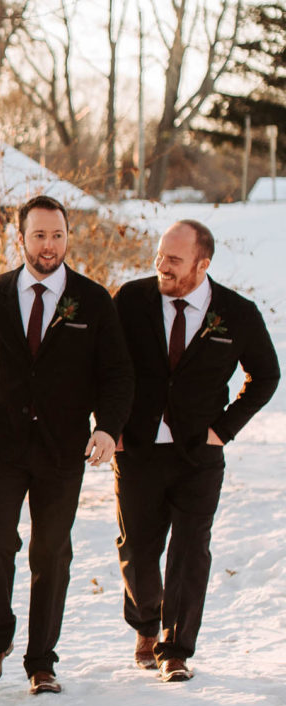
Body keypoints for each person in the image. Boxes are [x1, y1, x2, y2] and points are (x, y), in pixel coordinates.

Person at [0, 195, 133, 695]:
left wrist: (107, 427)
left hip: (62, 450)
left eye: (57, 235)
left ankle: (41, 660)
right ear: (21, 239)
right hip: (2, 445)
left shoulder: (93, 301)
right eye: (39, 235)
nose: (48, 245)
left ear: (67, 238)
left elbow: (117, 374)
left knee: (51, 551)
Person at [112, 220, 279, 681]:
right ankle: (146, 623)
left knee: (190, 549)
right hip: (138, 448)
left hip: (198, 456)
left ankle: (176, 649)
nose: (161, 266)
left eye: (174, 260)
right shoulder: (130, 300)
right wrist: (110, 427)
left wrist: (223, 431)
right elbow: (103, 366)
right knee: (139, 549)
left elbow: (265, 376)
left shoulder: (237, 313)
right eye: (160, 255)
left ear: (202, 265)